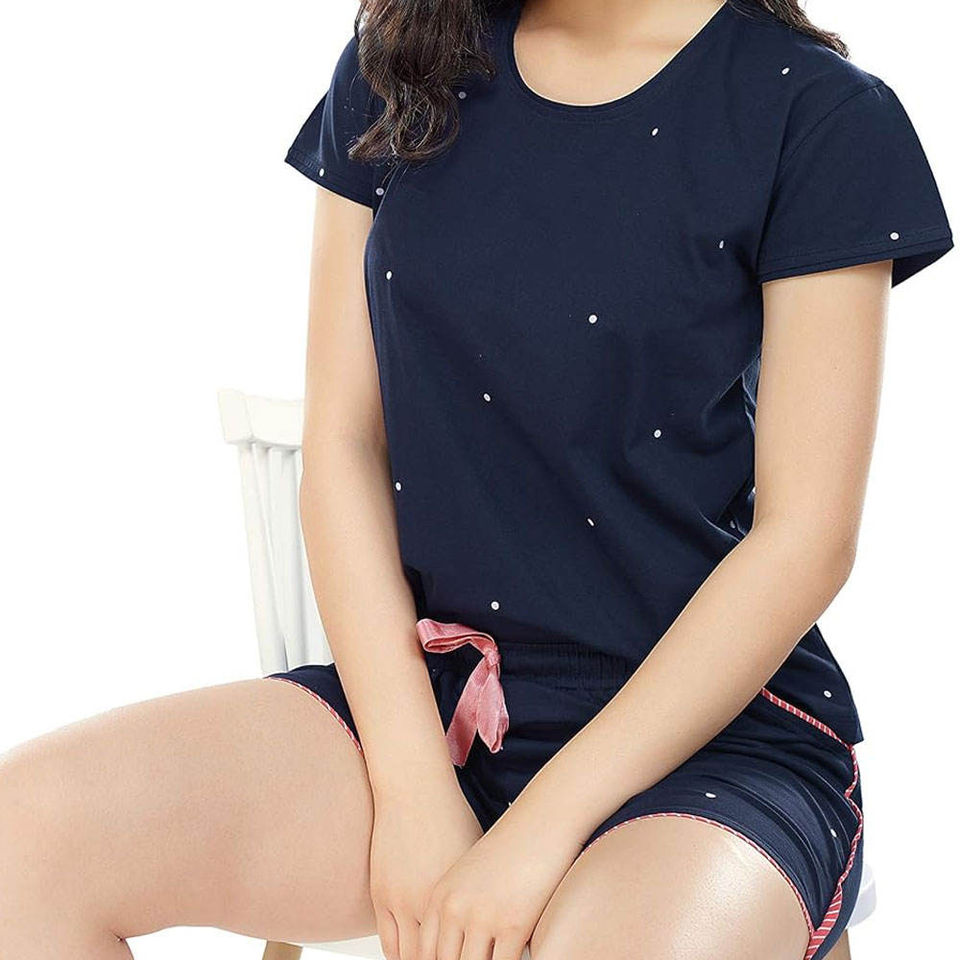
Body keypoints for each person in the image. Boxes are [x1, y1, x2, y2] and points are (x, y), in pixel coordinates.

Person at [0, 2, 952, 959]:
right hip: (431, 701)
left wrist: (539, 831)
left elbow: (806, 541)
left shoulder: (816, 112)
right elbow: (343, 445)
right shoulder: (402, 60)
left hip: (703, 735)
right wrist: (414, 791)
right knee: (24, 839)